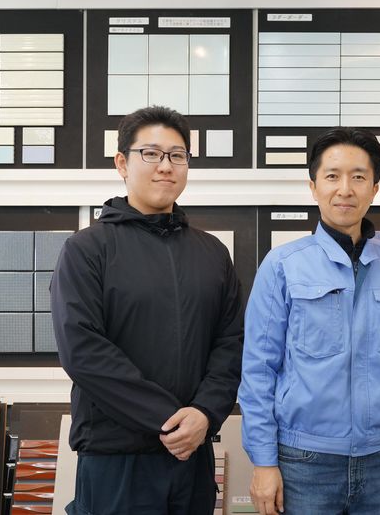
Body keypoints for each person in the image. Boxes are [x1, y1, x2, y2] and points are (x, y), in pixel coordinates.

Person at [51, 106, 244, 514]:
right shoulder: (87, 250)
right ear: (122, 163)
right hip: (116, 458)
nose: (166, 166)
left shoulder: (212, 253)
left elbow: (231, 344)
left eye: (177, 155)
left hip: (192, 455)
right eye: (151, 154)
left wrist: (204, 413)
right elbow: (83, 351)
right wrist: (169, 419)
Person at [239, 127, 380, 515]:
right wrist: (263, 462)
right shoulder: (282, 266)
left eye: (358, 177)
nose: (345, 189)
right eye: (332, 176)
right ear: (314, 187)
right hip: (303, 464)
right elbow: (259, 370)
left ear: (374, 189)